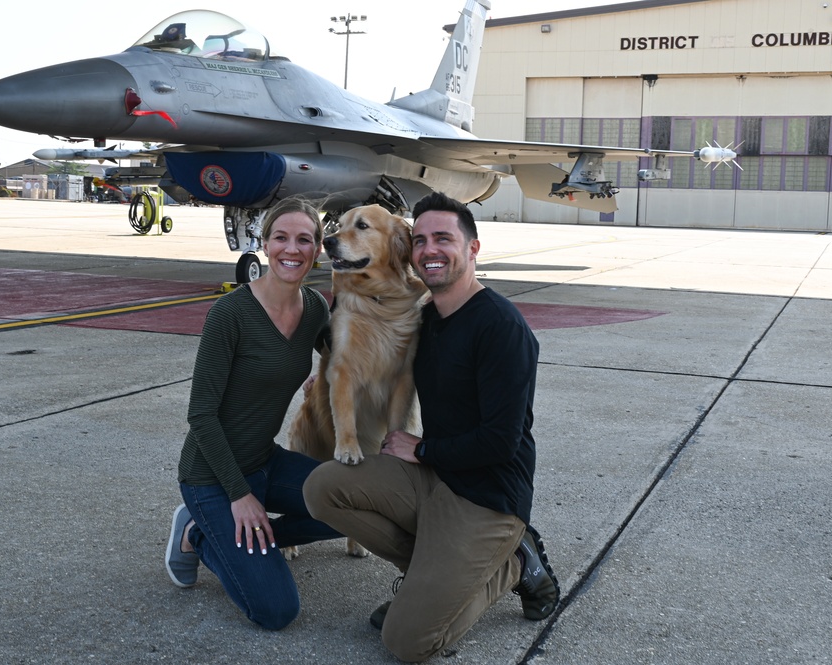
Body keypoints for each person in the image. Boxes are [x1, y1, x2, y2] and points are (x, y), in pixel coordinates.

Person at [303, 191, 559, 662]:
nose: (430, 250)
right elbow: (368, 351)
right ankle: (432, 579)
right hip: (435, 479)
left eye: (444, 238)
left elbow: (501, 442)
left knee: (406, 641)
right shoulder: (428, 317)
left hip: (486, 496)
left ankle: (516, 563)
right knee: (323, 487)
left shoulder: (502, 328)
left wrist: (422, 452)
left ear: (473, 249)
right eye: (420, 240)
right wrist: (324, 367)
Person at [164, 195, 341, 630]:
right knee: (276, 611)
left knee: (354, 502)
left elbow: (344, 356)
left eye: (304, 239)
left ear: (317, 249)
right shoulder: (230, 313)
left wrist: (329, 376)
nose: (292, 249)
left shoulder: (315, 308)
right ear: (264, 243)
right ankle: (198, 534)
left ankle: (239, 538)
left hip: (265, 460)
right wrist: (240, 496)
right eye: (281, 237)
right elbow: (200, 415)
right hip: (212, 476)